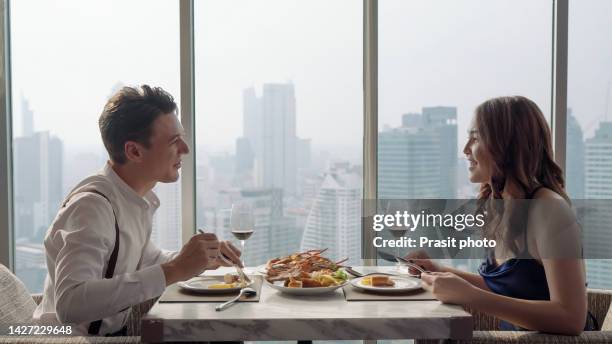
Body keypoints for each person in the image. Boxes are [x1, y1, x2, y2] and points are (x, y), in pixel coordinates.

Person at [33, 85, 242, 336]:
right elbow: (70, 304)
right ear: (134, 151)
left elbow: (145, 260)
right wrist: (175, 270)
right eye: (174, 141)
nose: (185, 149)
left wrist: (199, 258)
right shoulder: (92, 207)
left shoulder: (130, 199)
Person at [406, 96, 595, 335]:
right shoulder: (501, 206)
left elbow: (571, 319)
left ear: (506, 145)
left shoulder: (550, 210)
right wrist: (438, 269)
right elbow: (504, 288)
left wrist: (472, 297)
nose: (465, 149)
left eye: (475, 138)